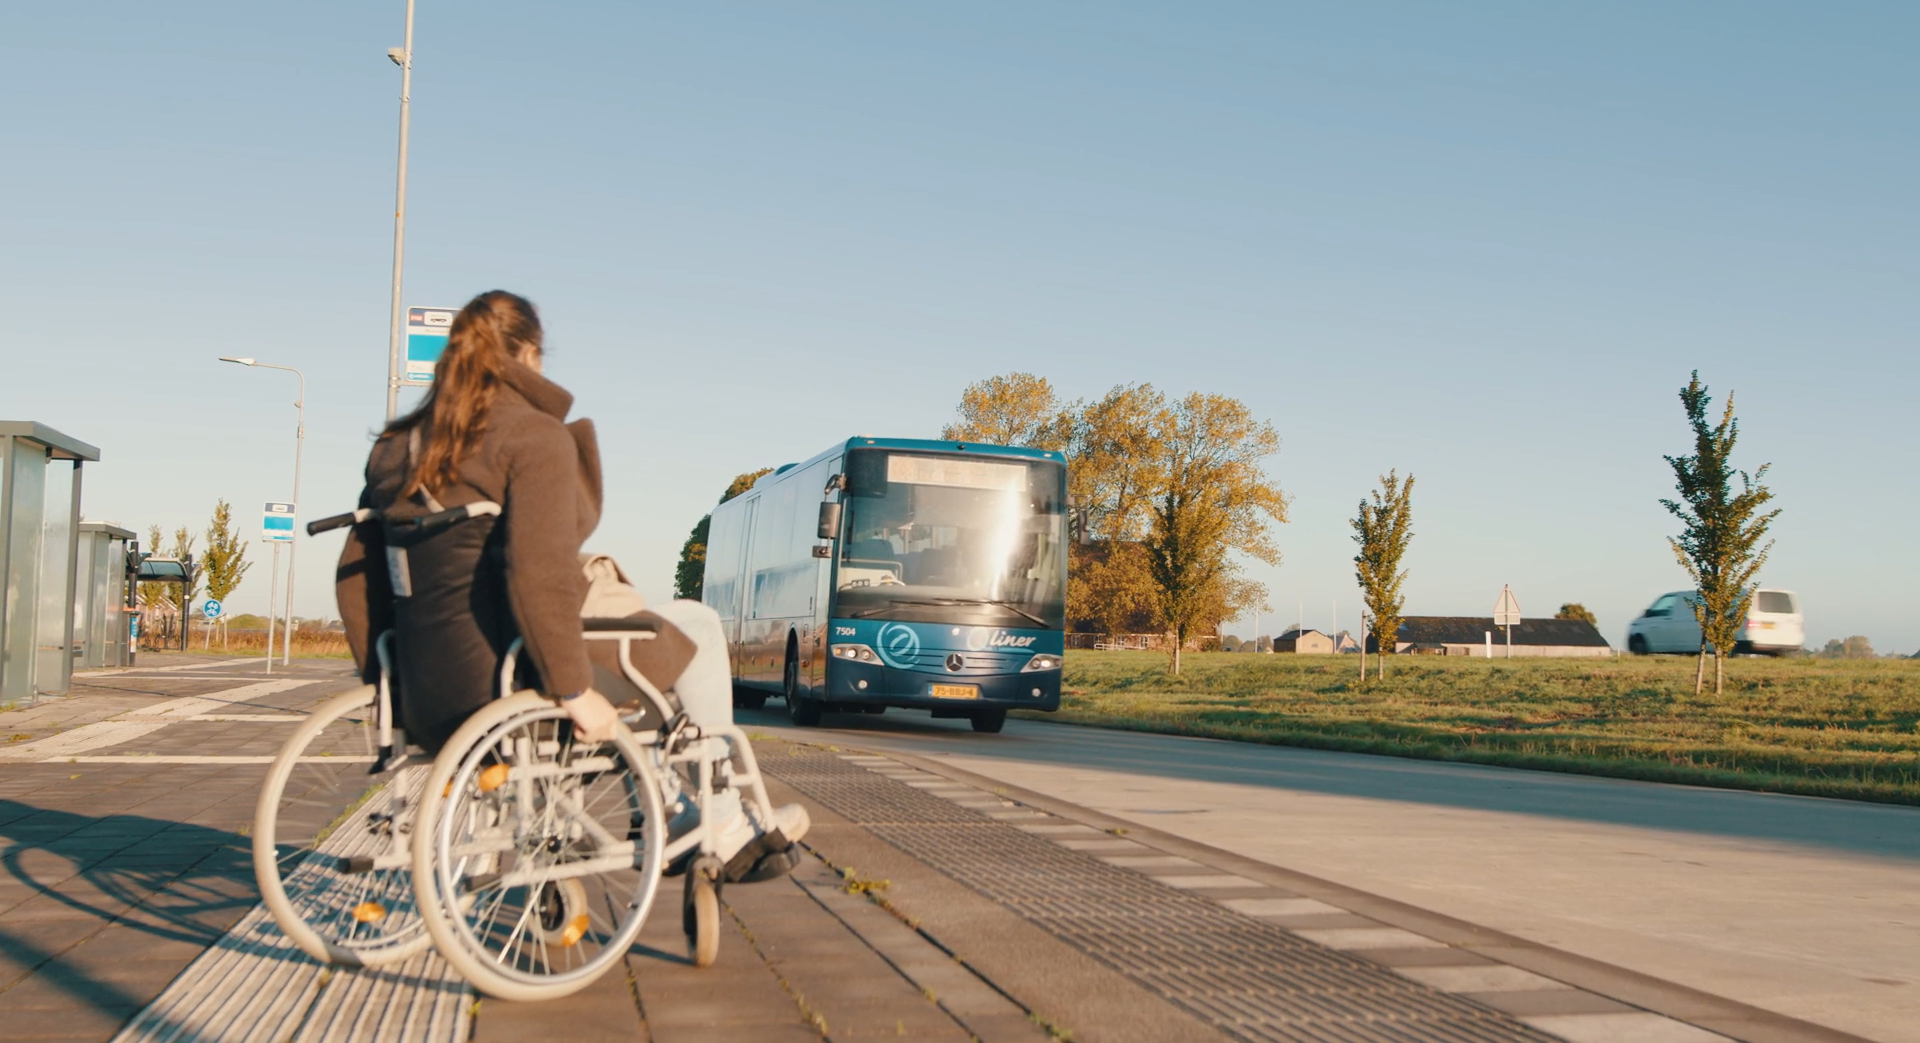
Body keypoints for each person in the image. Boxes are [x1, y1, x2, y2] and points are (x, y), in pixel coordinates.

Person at [335, 289, 803, 862]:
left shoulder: (395, 449)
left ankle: (668, 805)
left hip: (429, 689)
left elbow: (359, 575)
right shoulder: (531, 437)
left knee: (636, 644)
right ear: (529, 353)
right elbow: (540, 576)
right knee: (697, 628)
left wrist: (386, 681)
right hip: (515, 675)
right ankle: (724, 820)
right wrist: (574, 692)